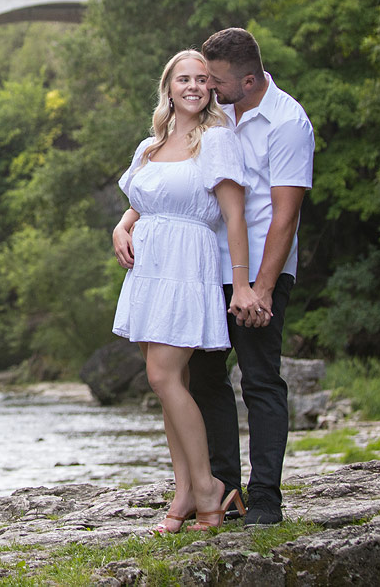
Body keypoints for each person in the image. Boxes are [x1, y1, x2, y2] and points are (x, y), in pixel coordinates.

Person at [110, 49, 256, 533]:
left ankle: (209, 488)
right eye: (183, 79)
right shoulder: (149, 147)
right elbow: (144, 200)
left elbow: (233, 214)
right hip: (150, 270)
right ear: (168, 88)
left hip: (187, 267)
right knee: (170, 383)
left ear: (211, 88)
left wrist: (242, 282)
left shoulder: (216, 140)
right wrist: (122, 225)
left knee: (163, 377)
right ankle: (187, 491)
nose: (192, 86)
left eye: (201, 79)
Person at [188, 27, 314, 526]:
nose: (210, 89)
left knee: (260, 380)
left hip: (263, 271)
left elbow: (284, 216)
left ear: (249, 78)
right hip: (205, 268)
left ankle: (266, 497)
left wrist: (260, 289)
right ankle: (225, 490)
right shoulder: (215, 115)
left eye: (217, 80)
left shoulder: (287, 122)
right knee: (205, 378)